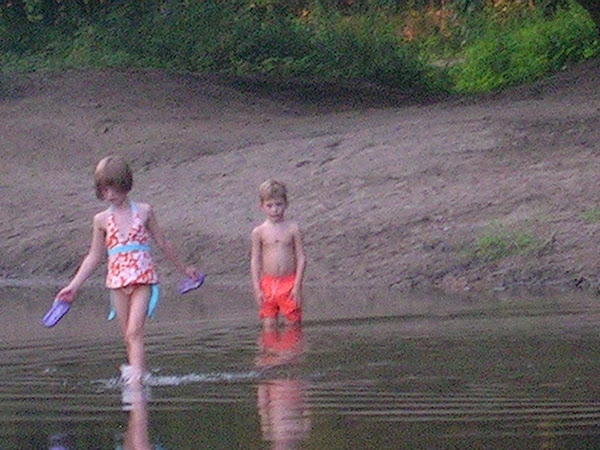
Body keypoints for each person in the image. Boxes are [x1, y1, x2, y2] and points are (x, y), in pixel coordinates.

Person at [55, 155, 198, 385]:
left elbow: (162, 243)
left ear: (126, 184)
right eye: (105, 190)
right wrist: (73, 286)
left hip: (142, 279)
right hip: (117, 282)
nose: (111, 195)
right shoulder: (101, 220)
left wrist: (184, 270)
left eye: (115, 188)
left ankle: (136, 385)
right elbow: (94, 256)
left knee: (134, 332)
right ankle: (138, 382)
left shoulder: (144, 211)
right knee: (127, 337)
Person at [251, 180, 306, 329]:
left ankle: (293, 351)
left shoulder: (293, 229)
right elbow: (255, 261)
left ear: (286, 204)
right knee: (268, 326)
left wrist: (297, 286)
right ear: (261, 206)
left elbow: (301, 258)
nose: (274, 210)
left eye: (278, 205)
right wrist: (257, 288)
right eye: (269, 206)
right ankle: (269, 351)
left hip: (289, 283)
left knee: (293, 326)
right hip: (268, 284)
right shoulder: (259, 232)